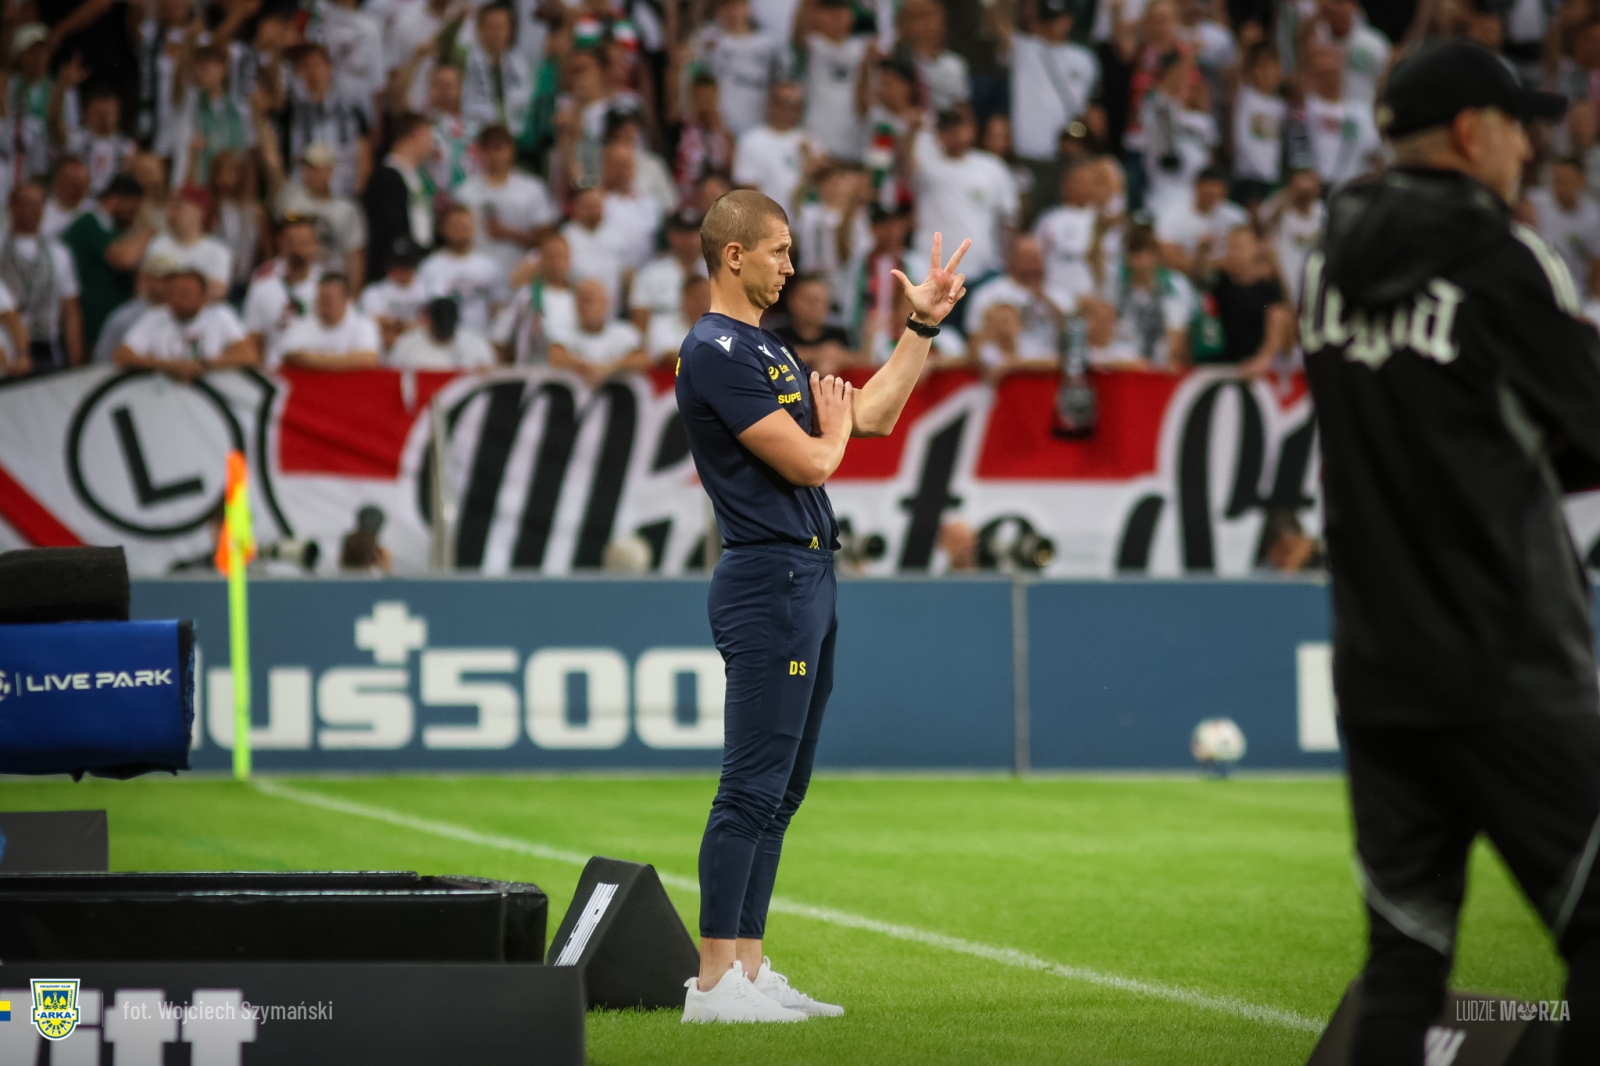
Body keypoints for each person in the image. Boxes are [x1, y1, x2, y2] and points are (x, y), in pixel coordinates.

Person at [1301, 43, 1600, 1065]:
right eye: (1520, 126)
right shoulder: (1504, 258)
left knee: (1404, 965)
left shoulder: (1324, 261)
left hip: (1378, 665)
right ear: (1473, 131)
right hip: (1507, 656)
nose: (1530, 148)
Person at [675, 188, 969, 1023]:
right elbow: (811, 461)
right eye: (778, 250)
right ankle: (712, 984)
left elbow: (870, 415)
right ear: (734, 255)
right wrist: (831, 434)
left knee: (782, 788)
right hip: (768, 576)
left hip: (805, 575)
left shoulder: (763, 347)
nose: (791, 266)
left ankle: (749, 967)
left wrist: (921, 328)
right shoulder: (714, 349)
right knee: (749, 785)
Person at [908, 109, 1017, 282]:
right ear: (939, 133)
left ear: (971, 129)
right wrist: (911, 133)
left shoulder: (992, 168)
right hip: (932, 269)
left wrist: (1010, 262)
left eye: (959, 127)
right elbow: (905, 169)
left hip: (982, 269)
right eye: (948, 129)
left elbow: (1009, 220)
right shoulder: (927, 167)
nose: (955, 134)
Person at [61, 173, 152, 352]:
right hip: (88, 327)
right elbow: (124, 259)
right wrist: (148, 233)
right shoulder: (89, 224)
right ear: (117, 199)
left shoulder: (113, 229)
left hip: (109, 326)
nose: (133, 216)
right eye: (132, 209)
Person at [455, 125, 559, 278]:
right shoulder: (465, 193)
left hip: (520, 273)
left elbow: (545, 238)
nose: (493, 155)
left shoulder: (532, 189)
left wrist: (508, 233)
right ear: (480, 152)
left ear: (511, 149)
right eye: (487, 149)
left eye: (498, 148)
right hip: (477, 275)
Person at [113, 268, 255, 380]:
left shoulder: (219, 315)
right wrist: (171, 367)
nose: (181, 298)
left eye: (187, 293)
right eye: (176, 292)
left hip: (210, 396)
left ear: (203, 296)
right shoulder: (154, 317)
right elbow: (122, 356)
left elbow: (248, 356)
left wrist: (202, 366)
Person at [1, 183, 83, 370]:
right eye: (28, 204)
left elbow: (71, 309)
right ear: (13, 207)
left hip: (44, 343)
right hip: (6, 344)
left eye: (39, 204)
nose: (35, 210)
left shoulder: (59, 253)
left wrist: (75, 361)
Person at [273, 143, 368, 290]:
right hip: (298, 283)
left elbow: (354, 257)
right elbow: (281, 243)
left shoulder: (346, 210)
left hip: (334, 284)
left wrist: (353, 294)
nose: (308, 173)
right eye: (305, 168)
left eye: (314, 168)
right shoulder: (291, 201)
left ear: (329, 171)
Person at [1199, 226, 1290, 375]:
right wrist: (1202, 251)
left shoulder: (1268, 286)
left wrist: (1263, 358)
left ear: (1254, 249)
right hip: (1223, 364)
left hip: (1259, 365)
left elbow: (1280, 319)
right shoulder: (1221, 281)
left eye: (1240, 248)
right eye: (1231, 247)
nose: (1234, 254)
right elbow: (1199, 276)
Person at [364, 111, 436, 282]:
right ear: (417, 133)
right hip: (397, 271)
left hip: (418, 267)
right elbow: (388, 231)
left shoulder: (415, 177)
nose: (431, 146)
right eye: (429, 138)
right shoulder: (386, 177)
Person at [795, 0, 870, 164]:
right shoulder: (811, 46)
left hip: (854, 144)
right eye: (830, 13)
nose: (836, 18)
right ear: (817, 15)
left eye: (842, 12)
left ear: (851, 16)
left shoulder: (865, 50)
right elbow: (799, 29)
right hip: (816, 142)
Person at [243, 215, 323, 363]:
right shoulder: (262, 288)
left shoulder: (327, 286)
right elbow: (253, 339)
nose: (297, 249)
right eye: (290, 243)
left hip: (318, 366)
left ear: (315, 246)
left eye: (303, 243)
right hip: (276, 368)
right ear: (281, 244)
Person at [732, 82, 817, 217]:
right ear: (771, 104)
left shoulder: (807, 140)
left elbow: (820, 184)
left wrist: (809, 163)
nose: (789, 109)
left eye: (795, 104)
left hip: (804, 223)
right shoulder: (751, 141)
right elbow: (750, 193)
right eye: (784, 103)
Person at [418, 205, 505, 336]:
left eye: (465, 227)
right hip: (442, 339)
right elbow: (423, 309)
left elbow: (498, 306)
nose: (461, 231)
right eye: (456, 226)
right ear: (444, 228)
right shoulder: (429, 267)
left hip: (481, 338)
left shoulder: (490, 267)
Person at [271, 273, 381, 370]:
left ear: (346, 299)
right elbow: (288, 354)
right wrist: (345, 361)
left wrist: (314, 360)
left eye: (329, 299)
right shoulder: (301, 325)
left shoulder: (363, 325)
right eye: (320, 299)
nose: (324, 305)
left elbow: (369, 359)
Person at [548, 278, 646, 385]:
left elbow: (643, 359)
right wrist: (589, 367)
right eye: (580, 301)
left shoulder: (624, 331)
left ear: (606, 303)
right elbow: (555, 357)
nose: (585, 307)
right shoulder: (563, 331)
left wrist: (608, 368)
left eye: (590, 300)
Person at [1528, 157, 1600, 299]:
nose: (1559, 187)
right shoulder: (1533, 204)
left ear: (1581, 182)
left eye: (1565, 181)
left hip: (1575, 295)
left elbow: (1596, 267)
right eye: (1555, 181)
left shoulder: (1593, 218)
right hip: (1538, 289)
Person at [144, 191, 233, 302]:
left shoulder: (218, 250)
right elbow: (145, 286)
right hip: (159, 307)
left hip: (205, 310)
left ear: (199, 212)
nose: (171, 213)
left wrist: (170, 287)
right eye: (170, 207)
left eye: (178, 207)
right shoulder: (158, 243)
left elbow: (218, 292)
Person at [631, 211, 711, 335]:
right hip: (663, 343)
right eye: (682, 234)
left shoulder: (719, 272)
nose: (688, 241)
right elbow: (639, 325)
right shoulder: (650, 274)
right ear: (671, 236)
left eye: (693, 234)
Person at [774, 273, 852, 376]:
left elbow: (859, 359)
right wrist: (818, 353)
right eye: (811, 300)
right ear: (792, 300)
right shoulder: (777, 331)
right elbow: (771, 356)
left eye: (823, 301)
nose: (818, 307)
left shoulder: (838, 334)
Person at [361, 238, 431, 352]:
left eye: (406, 266)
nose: (401, 271)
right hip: (386, 353)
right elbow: (377, 328)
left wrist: (394, 324)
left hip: (423, 351)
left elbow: (431, 327)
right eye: (397, 266)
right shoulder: (374, 292)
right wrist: (410, 325)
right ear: (388, 266)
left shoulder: (429, 290)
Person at [388, 296, 497, 369]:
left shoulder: (476, 345)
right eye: (440, 325)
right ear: (428, 320)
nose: (444, 330)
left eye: (448, 325)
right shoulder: (407, 345)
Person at [647, 274, 712, 362]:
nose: (702, 303)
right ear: (683, 299)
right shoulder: (662, 324)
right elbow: (668, 355)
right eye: (696, 297)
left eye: (706, 297)